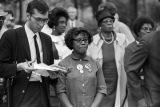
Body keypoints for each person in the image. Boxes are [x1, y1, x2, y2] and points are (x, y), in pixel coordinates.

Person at [0, 0, 58, 107]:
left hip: (43, 92)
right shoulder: (11, 36)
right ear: (28, 16)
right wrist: (19, 67)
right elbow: (1, 67)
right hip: (22, 92)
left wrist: (55, 71)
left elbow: (49, 69)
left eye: (45, 20)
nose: (41, 24)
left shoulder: (46, 39)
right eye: (38, 19)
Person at [56, 27, 107, 107]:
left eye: (85, 40)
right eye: (79, 40)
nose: (83, 43)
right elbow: (60, 91)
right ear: (71, 42)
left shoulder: (95, 64)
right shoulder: (63, 64)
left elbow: (102, 89)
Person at [87, 8, 128, 107]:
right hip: (101, 83)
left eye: (111, 21)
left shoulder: (122, 39)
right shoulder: (93, 41)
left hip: (118, 81)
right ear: (100, 25)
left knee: (118, 102)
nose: (109, 23)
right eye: (106, 21)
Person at [124, 19, 160, 107]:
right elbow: (130, 70)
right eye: (145, 29)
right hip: (142, 91)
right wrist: (140, 98)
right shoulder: (131, 48)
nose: (148, 31)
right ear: (138, 31)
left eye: (150, 29)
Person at [41, 7, 72, 107]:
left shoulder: (67, 38)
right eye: (61, 22)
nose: (64, 25)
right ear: (54, 24)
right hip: (53, 80)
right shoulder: (46, 39)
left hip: (69, 79)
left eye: (65, 22)